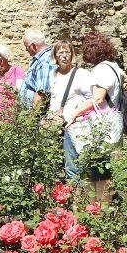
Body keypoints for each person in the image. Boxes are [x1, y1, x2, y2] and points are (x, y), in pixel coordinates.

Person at [64, 32, 126, 203]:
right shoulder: (114, 66)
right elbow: (125, 78)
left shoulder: (101, 69)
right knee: (102, 167)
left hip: (100, 126)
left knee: (95, 168)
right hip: (110, 123)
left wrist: (76, 113)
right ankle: (105, 207)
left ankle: (99, 208)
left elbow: (98, 98)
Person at [48, 40, 91, 181]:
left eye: (67, 52)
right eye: (61, 53)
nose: (64, 56)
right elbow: (53, 99)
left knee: (73, 165)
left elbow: (91, 99)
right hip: (56, 126)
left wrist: (76, 113)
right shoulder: (53, 75)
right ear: (55, 56)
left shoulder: (81, 74)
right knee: (55, 164)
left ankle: (78, 199)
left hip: (74, 125)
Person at [19, 28, 56, 112]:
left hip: (36, 116)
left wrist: (31, 117)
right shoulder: (40, 59)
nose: (26, 50)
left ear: (33, 45)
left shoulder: (45, 61)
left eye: (27, 47)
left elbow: (42, 93)